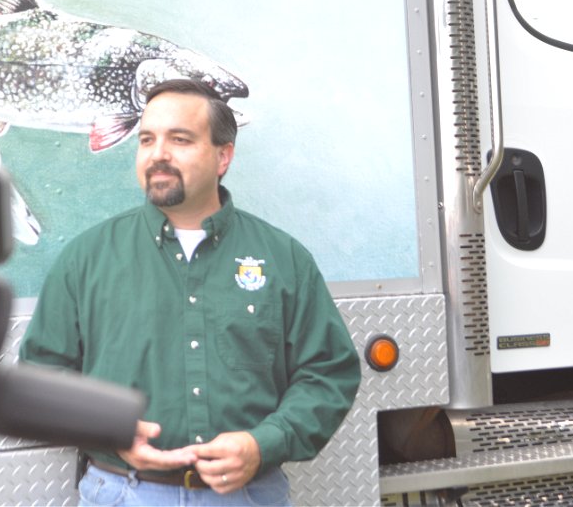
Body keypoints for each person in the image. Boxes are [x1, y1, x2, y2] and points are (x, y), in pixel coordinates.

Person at [19, 79, 361, 506]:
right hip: (122, 493)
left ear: (223, 157)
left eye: (179, 139)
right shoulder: (87, 259)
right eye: (147, 139)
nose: (158, 153)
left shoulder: (282, 259)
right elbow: (39, 377)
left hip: (247, 496)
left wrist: (264, 444)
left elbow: (328, 372)